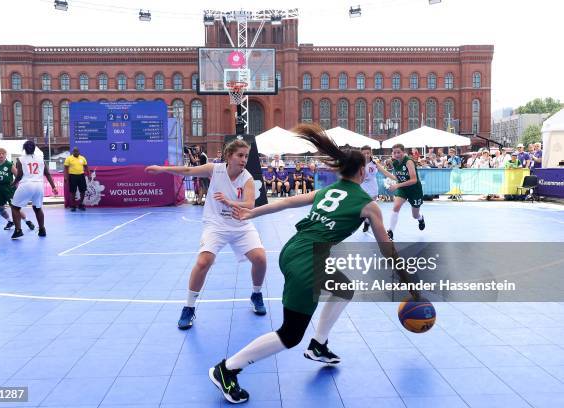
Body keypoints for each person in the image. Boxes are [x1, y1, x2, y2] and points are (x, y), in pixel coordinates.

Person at [208, 124, 419, 404]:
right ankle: (227, 369)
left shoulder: (328, 191)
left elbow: (287, 203)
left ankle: (319, 344)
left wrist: (252, 213)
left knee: (343, 288)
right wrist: (407, 279)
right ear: (360, 172)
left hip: (294, 249)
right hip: (307, 261)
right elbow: (386, 247)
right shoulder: (367, 205)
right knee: (290, 335)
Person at [145, 139, 268, 329]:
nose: (244, 160)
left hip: (240, 226)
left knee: (260, 258)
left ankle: (256, 293)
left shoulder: (247, 177)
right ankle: (189, 307)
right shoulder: (215, 169)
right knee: (203, 262)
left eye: (246, 156)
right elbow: (187, 171)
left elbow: (250, 204)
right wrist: (162, 169)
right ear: (229, 156)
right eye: (240, 155)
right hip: (216, 224)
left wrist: (230, 202)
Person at [10, 141, 58, 239]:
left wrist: (13, 184)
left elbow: (19, 176)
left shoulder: (20, 159)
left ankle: (18, 230)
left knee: (15, 207)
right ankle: (42, 229)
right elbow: (47, 174)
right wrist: (53, 187)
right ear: (35, 149)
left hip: (26, 184)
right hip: (39, 185)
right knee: (37, 208)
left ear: (24, 149)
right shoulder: (41, 159)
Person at [0, 147, 35, 231]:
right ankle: (10, 221)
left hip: (9, 189)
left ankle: (28, 221)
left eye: (3, 153)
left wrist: (19, 185)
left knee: (15, 208)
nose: (1, 155)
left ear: (5, 155)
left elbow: (18, 176)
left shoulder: (9, 165)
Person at [381, 143, 425, 240]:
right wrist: (378, 166)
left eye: (398, 152)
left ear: (403, 152)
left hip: (414, 189)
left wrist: (397, 185)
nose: (397, 154)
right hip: (403, 189)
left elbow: (414, 180)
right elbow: (394, 175)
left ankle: (421, 218)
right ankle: (390, 231)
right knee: (396, 206)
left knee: (415, 215)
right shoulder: (394, 162)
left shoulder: (409, 162)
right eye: (394, 152)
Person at [359, 145, 390, 232]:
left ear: (371, 153)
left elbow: (385, 172)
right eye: (364, 153)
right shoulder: (358, 164)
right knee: (362, 208)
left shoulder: (374, 164)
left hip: (372, 187)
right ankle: (366, 220)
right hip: (362, 187)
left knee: (371, 208)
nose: (366, 155)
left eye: (368, 153)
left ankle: (368, 223)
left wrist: (395, 178)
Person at [64, 147, 89, 211]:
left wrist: (88, 174)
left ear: (79, 152)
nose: (76, 152)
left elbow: (86, 167)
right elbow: (66, 168)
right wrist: (65, 177)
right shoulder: (69, 158)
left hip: (81, 176)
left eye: (77, 151)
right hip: (72, 176)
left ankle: (80, 204)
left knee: (83, 191)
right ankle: (73, 206)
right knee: (73, 192)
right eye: (75, 151)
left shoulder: (82, 158)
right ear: (73, 152)